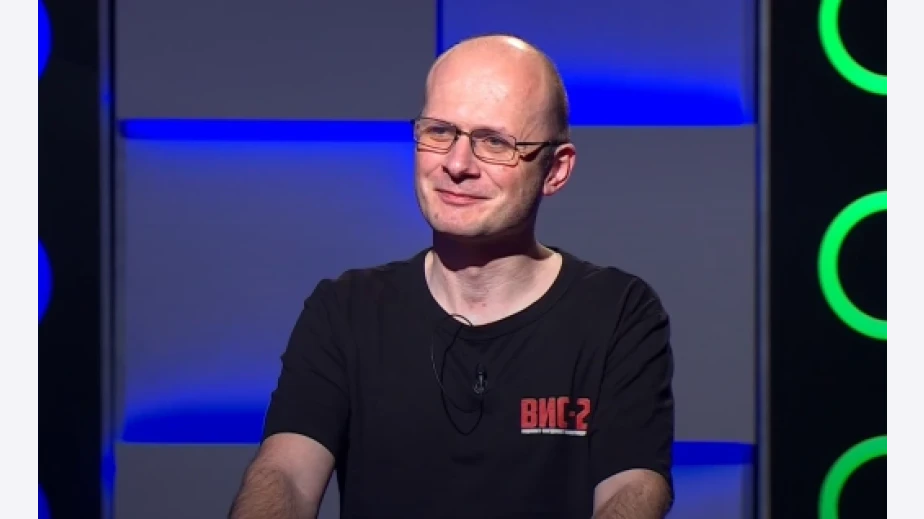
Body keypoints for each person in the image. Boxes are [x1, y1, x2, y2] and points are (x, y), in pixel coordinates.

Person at [229, 34, 674, 519]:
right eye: (440, 132)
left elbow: (633, 486)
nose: (457, 165)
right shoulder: (347, 310)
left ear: (556, 170)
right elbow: (286, 475)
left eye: (495, 142)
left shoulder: (616, 312)